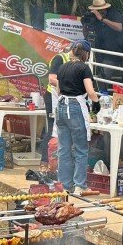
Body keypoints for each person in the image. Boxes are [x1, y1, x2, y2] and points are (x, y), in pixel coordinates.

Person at [54, 39, 100, 195]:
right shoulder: (84, 68)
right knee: (81, 149)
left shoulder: (62, 67)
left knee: (64, 149)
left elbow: (59, 91)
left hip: (60, 108)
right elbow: (90, 91)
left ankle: (64, 186)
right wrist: (96, 102)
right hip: (75, 107)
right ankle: (79, 185)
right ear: (86, 54)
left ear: (72, 51)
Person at [40, 41, 75, 170]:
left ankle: (56, 163)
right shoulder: (60, 58)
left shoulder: (76, 63)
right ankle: (44, 162)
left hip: (64, 98)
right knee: (53, 128)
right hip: (53, 96)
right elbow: (52, 79)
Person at [84, 0, 123, 81]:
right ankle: (101, 92)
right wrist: (85, 26)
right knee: (102, 77)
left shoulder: (114, 13)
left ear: (105, 8)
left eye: (100, 10)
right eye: (97, 10)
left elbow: (119, 28)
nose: (99, 12)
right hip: (104, 52)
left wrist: (102, 19)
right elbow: (86, 35)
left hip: (122, 50)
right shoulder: (94, 17)